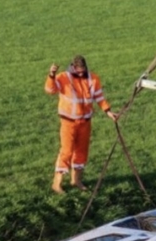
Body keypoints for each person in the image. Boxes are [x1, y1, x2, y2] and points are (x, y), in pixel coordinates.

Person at [45, 55, 118, 194]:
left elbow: (99, 97)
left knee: (81, 152)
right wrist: (51, 75)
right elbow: (50, 90)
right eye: (78, 71)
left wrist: (108, 112)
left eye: (82, 70)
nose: (80, 73)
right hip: (68, 122)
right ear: (72, 67)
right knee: (66, 152)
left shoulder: (93, 78)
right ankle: (57, 184)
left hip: (85, 122)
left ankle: (76, 181)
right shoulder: (63, 77)